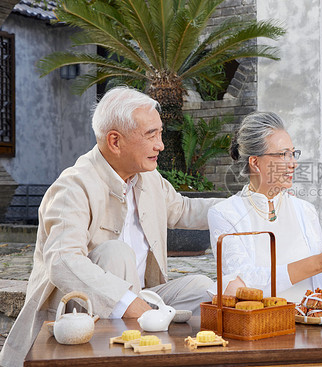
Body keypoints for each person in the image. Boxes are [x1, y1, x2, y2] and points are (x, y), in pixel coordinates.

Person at [0, 87, 220, 367]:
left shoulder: (148, 178)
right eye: (151, 134)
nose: (161, 145)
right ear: (115, 141)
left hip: (139, 300)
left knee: (202, 289)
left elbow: (184, 209)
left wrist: (244, 205)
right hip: (83, 314)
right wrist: (125, 301)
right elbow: (62, 260)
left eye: (160, 133)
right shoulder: (74, 185)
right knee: (117, 253)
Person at [207, 111, 322, 303]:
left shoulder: (305, 211)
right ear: (255, 162)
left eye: (293, 153)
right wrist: (319, 262)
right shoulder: (225, 214)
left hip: (310, 316)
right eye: (284, 155)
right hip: (264, 320)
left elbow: (317, 282)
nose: (294, 164)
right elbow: (241, 286)